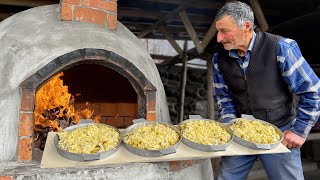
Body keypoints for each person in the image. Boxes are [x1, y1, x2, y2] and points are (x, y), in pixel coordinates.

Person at [213, 1, 320, 180]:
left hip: (280, 131)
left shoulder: (281, 47)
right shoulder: (220, 58)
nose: (219, 38)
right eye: (218, 31)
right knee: (226, 177)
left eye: (224, 31)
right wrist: (230, 126)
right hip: (240, 133)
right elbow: (224, 98)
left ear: (246, 26)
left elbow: (312, 90)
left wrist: (299, 131)